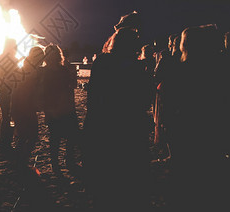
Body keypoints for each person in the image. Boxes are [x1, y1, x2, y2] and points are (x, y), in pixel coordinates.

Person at [161, 25, 230, 210]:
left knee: (186, 177)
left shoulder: (179, 70)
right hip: (210, 133)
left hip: (185, 131)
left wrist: (168, 126)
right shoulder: (219, 70)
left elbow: (168, 103)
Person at [83, 27, 153, 210]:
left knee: (106, 176)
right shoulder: (137, 67)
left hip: (104, 124)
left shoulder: (102, 62)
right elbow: (145, 100)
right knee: (128, 178)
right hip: (130, 126)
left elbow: (93, 96)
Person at [42, 44, 80, 173]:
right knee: (70, 136)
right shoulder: (63, 70)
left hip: (54, 108)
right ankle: (68, 161)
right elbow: (72, 86)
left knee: (56, 138)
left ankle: (56, 164)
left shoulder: (44, 72)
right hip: (65, 107)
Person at [11, 46, 45, 174]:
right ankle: (22, 162)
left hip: (18, 106)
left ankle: (20, 161)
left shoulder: (22, 68)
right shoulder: (34, 72)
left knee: (23, 136)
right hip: (26, 107)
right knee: (31, 136)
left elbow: (15, 91)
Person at [0, 38, 18, 151]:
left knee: (5, 116)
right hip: (10, 91)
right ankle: (6, 140)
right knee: (9, 116)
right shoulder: (14, 59)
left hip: (3, 90)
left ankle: (2, 138)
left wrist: (1, 86)